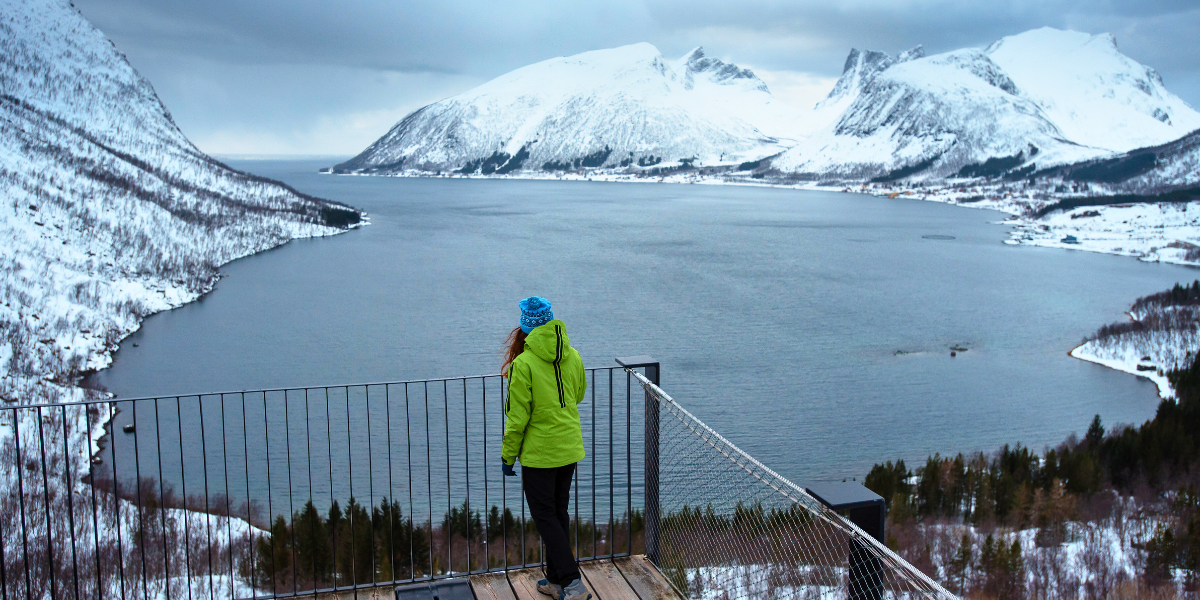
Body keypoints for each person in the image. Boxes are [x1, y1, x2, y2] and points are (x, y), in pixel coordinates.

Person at [501, 296, 591, 600]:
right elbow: (578, 394)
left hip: (540, 454)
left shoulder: (523, 364)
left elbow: (517, 418)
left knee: (544, 516)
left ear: (525, 327)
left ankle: (572, 583)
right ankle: (555, 580)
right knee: (558, 513)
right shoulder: (573, 355)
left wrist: (507, 456)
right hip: (569, 447)